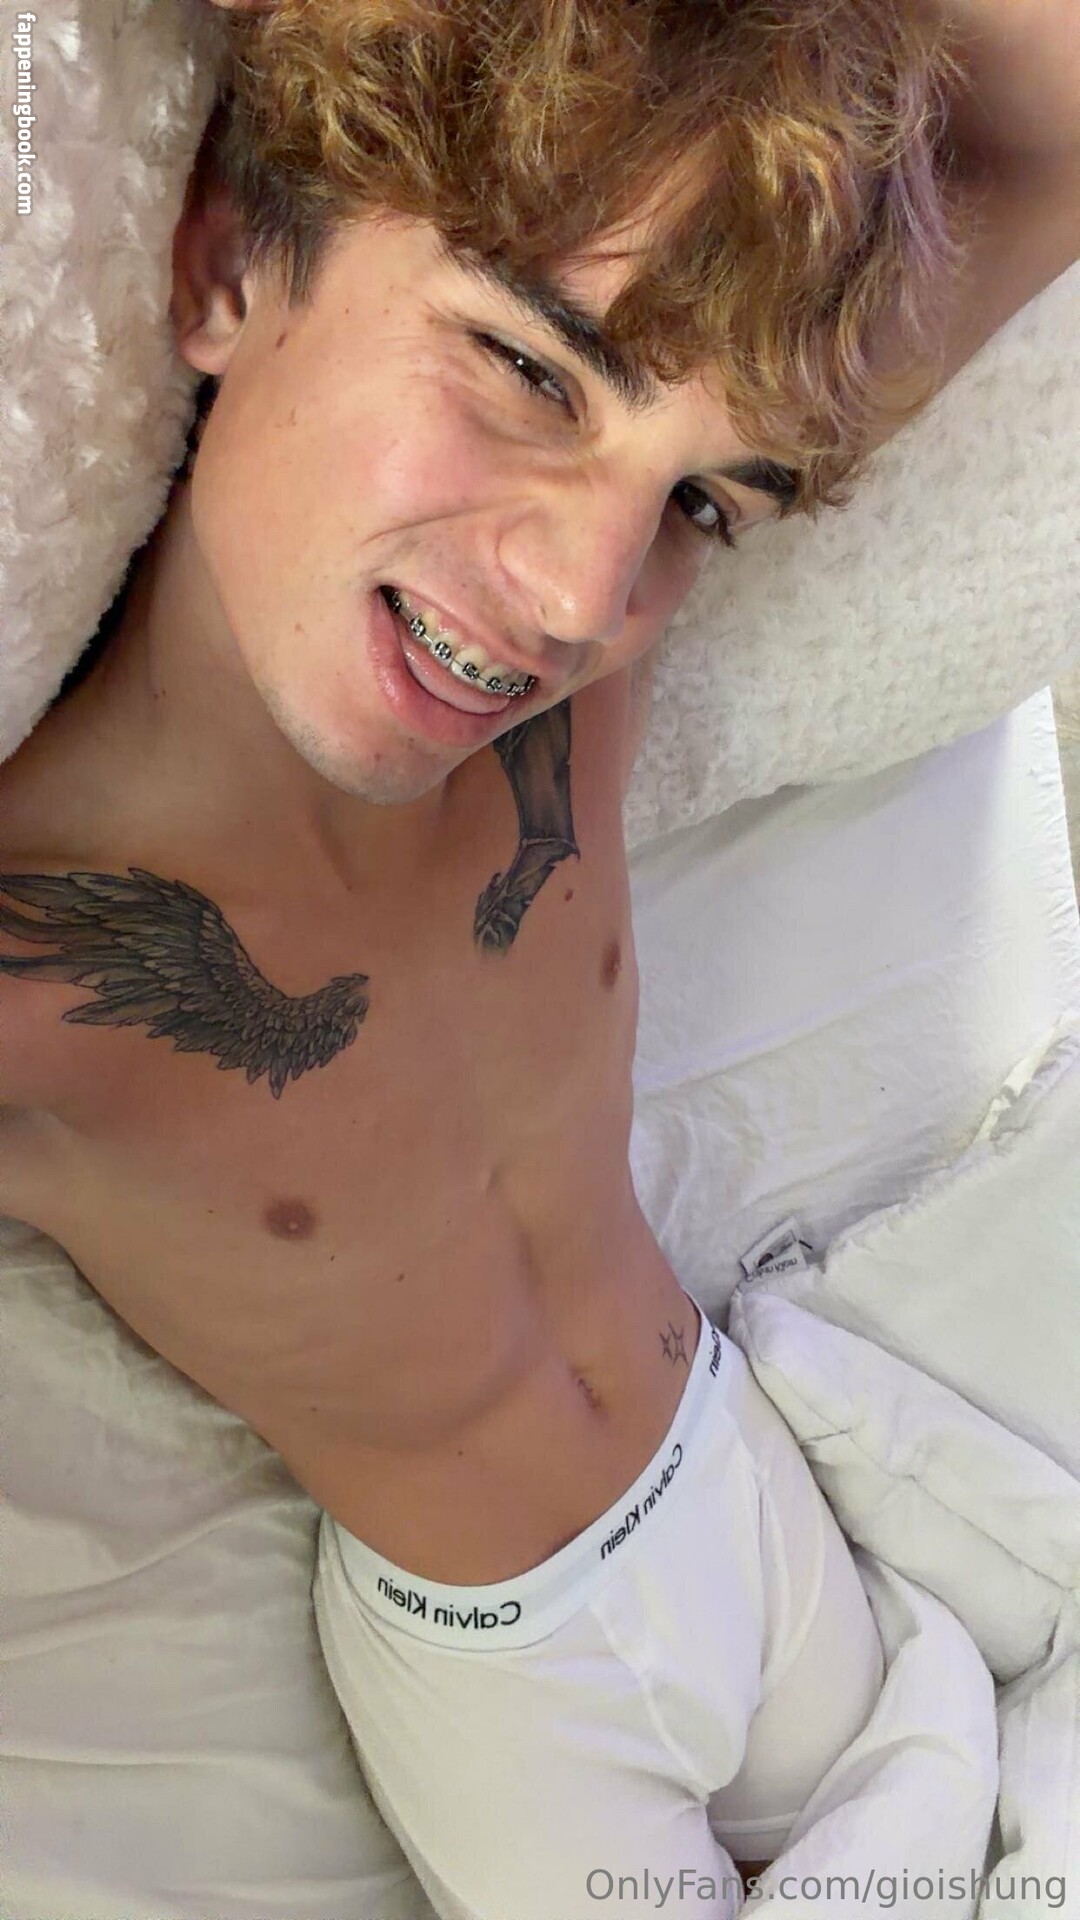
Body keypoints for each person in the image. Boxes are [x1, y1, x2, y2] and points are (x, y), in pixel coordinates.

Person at [0, 1, 1075, 1912]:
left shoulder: (570, 707)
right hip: (505, 1671)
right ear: (229, 254)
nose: (589, 595)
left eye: (699, 503)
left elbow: (1046, 116)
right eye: (527, 369)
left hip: (734, 1468)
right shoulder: (43, 986)